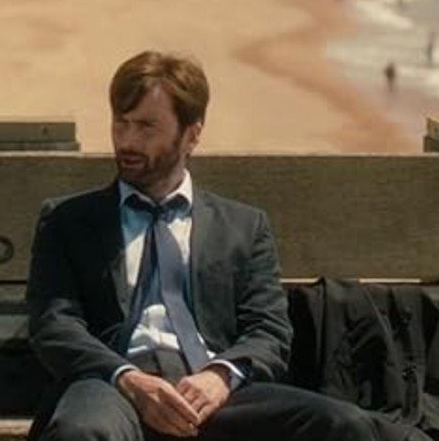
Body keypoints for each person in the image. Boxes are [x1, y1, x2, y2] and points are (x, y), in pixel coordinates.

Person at [25, 50, 393, 441]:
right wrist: (129, 379)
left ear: (192, 134)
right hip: (113, 385)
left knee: (344, 425)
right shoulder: (68, 220)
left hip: (211, 389)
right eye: (121, 123)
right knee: (82, 432)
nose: (127, 141)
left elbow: (269, 330)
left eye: (147, 127)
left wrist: (219, 377)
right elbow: (54, 325)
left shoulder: (243, 226)